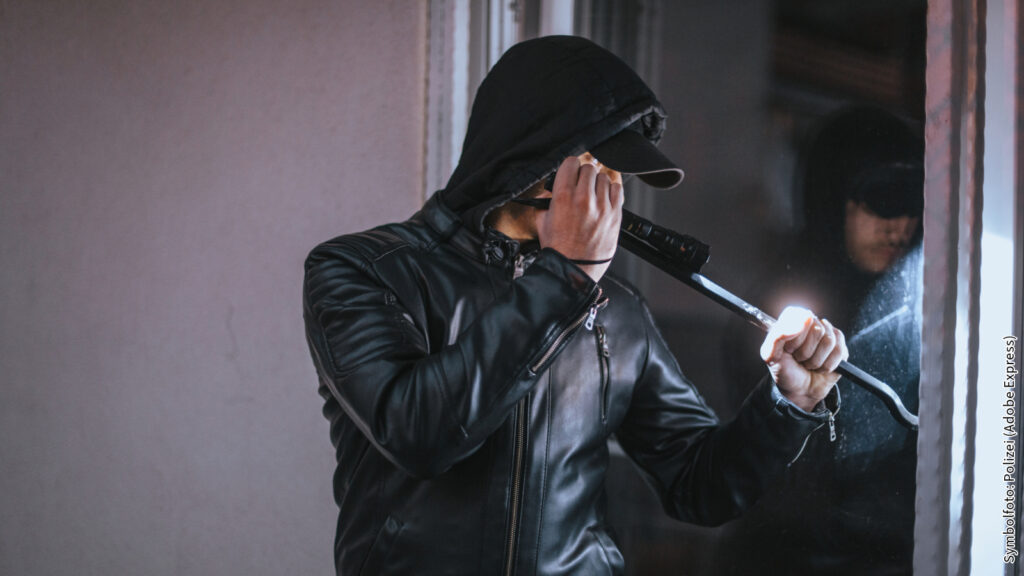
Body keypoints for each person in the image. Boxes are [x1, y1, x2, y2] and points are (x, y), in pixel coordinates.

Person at [303, 36, 847, 576]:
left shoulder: (616, 309)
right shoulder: (365, 269)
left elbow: (698, 486)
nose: (610, 189)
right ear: (530, 160)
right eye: (596, 166)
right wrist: (567, 275)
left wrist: (785, 404)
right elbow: (420, 435)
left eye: (618, 173)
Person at [719, 106, 923, 576]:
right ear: (833, 199)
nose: (901, 225)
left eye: (913, 202)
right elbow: (773, 485)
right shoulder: (777, 315)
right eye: (881, 200)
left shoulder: (916, 313)